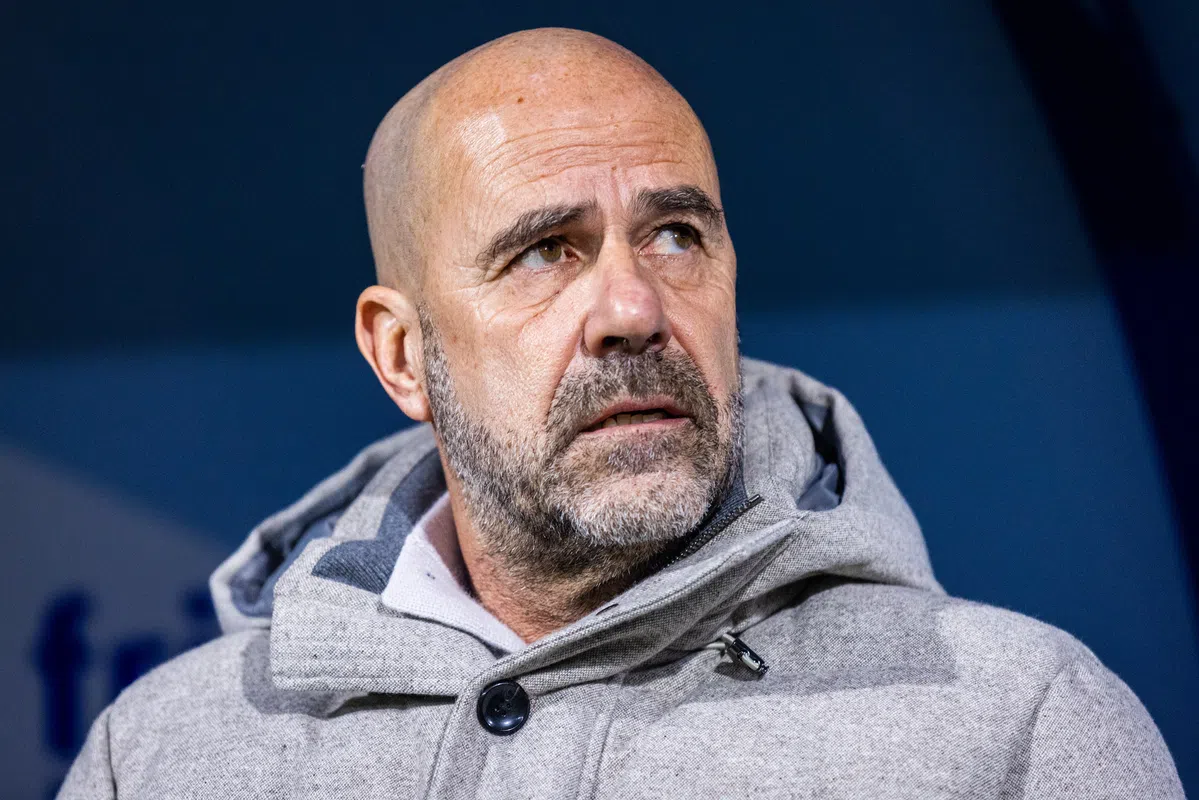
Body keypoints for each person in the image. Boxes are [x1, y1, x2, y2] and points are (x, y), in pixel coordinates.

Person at [60, 27, 1183, 799]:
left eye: (676, 235)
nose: (634, 310)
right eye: (544, 251)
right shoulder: (160, 758)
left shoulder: (1015, 725)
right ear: (403, 354)